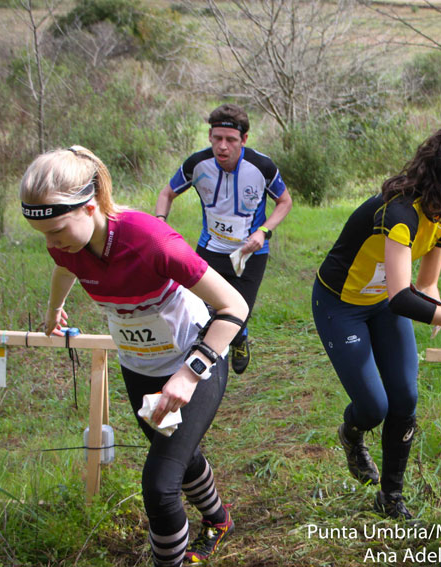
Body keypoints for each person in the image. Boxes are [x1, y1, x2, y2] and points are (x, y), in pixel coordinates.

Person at [20, 146, 249, 566]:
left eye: (57, 231)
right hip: (139, 365)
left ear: (90, 207)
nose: (52, 244)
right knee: (180, 453)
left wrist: (189, 373)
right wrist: (53, 311)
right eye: (44, 236)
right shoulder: (67, 243)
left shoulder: (152, 241)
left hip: (192, 357)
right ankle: (218, 520)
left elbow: (234, 306)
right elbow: (65, 266)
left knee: (160, 486)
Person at [311, 128, 441, 521]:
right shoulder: (399, 213)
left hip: (384, 305)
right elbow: (402, 296)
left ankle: (391, 496)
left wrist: (434, 300)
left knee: (405, 399)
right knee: (373, 406)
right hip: (341, 304)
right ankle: (352, 433)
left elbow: (425, 284)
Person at [156, 104, 292, 375]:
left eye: (230, 140)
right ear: (209, 136)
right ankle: (201, 365)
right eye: (217, 138)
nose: (223, 146)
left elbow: (285, 202)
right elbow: (166, 194)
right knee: (202, 311)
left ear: (244, 140)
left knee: (237, 312)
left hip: (251, 253)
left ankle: (239, 337)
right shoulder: (197, 164)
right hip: (210, 250)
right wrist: (159, 225)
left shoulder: (261, 167)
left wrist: (263, 231)